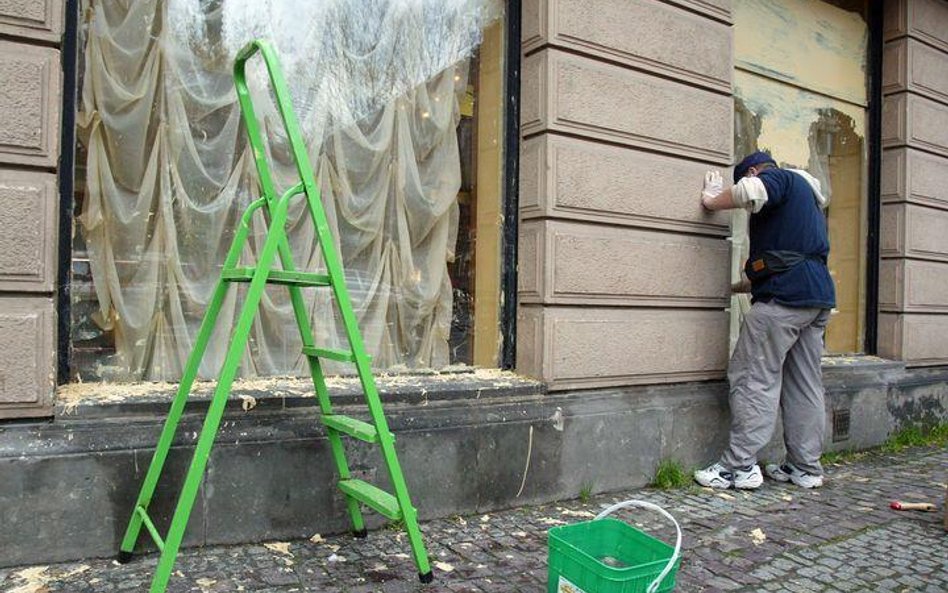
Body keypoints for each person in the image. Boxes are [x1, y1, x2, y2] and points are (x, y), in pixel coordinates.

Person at [693, 151, 836, 490]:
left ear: (754, 170)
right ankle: (805, 468)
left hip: (783, 299)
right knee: (805, 383)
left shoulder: (781, 178)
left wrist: (712, 199)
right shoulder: (806, 199)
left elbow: (750, 191)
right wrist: (740, 285)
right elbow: (787, 257)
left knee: (753, 377)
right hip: (815, 299)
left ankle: (738, 467)